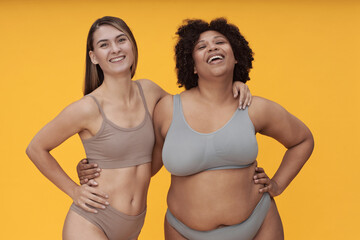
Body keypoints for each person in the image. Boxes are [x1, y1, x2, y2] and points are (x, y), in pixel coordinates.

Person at [26, 16, 253, 240]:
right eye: (104, 45)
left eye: (121, 40)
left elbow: (191, 108)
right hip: (92, 221)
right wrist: (74, 190)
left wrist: (230, 83)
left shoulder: (150, 92)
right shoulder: (87, 108)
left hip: (132, 225)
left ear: (132, 46)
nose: (115, 49)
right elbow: (36, 148)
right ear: (94, 57)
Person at [150, 18, 313, 240]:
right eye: (201, 46)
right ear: (193, 66)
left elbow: (302, 140)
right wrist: (87, 177)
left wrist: (277, 184)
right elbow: (145, 166)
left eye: (220, 42)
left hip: (259, 223)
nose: (213, 47)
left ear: (236, 57)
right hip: (183, 231)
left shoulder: (254, 107)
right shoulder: (167, 109)